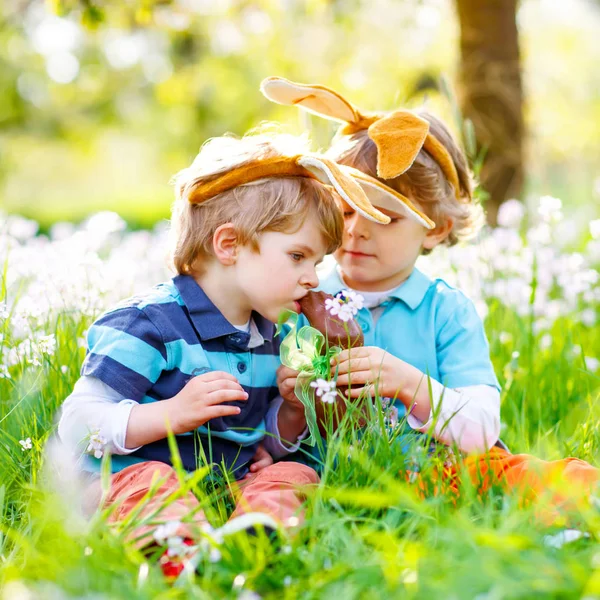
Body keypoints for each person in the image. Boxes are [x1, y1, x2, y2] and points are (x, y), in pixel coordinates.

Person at [262, 77, 599, 521]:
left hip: (438, 474)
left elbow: (480, 429)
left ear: (436, 227)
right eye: (344, 209)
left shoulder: (446, 311)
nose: (356, 230)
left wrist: (408, 382)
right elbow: (266, 441)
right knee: (273, 481)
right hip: (329, 479)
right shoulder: (297, 299)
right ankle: (257, 533)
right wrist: (290, 411)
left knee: (531, 476)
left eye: (383, 216)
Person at [57, 129, 388, 577]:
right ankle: (180, 555)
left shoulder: (269, 333)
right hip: (129, 478)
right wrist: (170, 414)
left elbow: (255, 441)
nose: (313, 278)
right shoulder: (149, 324)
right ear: (228, 244)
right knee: (153, 482)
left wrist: (289, 413)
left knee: (296, 475)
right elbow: (78, 421)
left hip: (223, 486)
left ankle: (251, 540)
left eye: (318, 263)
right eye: (298, 256)